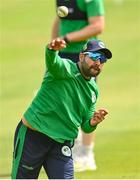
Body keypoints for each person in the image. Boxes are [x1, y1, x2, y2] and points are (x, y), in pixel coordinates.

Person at [11, 38, 112, 179]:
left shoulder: (93, 90)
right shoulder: (64, 69)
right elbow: (52, 61)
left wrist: (93, 123)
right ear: (82, 56)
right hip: (34, 137)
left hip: (61, 144)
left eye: (102, 59)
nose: (98, 63)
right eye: (94, 57)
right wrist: (52, 49)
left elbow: (86, 126)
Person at [51, 0, 105, 171]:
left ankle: (87, 155)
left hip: (86, 55)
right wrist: (54, 46)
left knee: (86, 102)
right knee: (61, 100)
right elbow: (59, 18)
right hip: (64, 53)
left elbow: (97, 26)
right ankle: (70, 149)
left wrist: (67, 38)